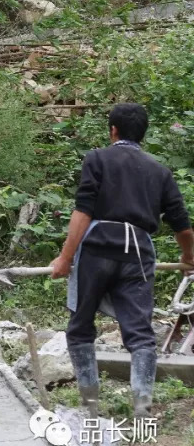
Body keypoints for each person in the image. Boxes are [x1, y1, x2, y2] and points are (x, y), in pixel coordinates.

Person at [50, 103, 194, 422]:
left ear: (112, 130)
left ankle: (90, 405)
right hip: (138, 255)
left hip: (98, 249)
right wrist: (188, 258)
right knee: (140, 334)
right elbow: (182, 226)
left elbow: (83, 212)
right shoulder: (160, 171)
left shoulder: (97, 158)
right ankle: (142, 405)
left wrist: (65, 257)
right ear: (143, 134)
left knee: (80, 328)